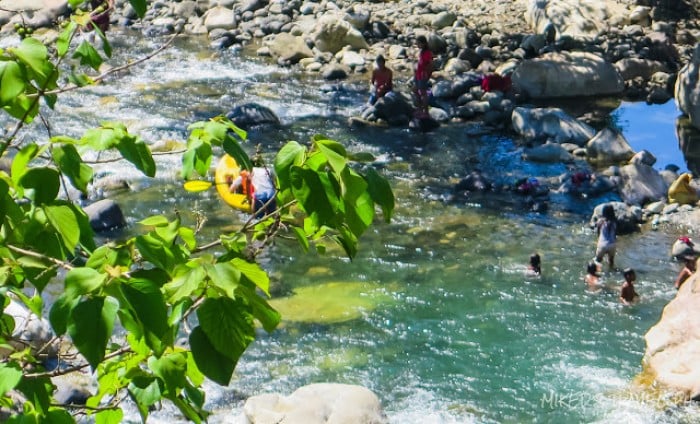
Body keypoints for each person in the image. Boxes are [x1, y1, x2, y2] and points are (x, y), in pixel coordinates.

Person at [413, 35, 433, 118]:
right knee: (415, 90)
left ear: (423, 43)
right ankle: (420, 109)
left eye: (418, 43)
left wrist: (427, 74)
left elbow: (431, 65)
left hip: (422, 75)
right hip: (418, 74)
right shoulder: (421, 51)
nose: (417, 45)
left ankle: (425, 112)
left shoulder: (427, 53)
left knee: (423, 93)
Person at [595, 204, 617, 270]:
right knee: (611, 261)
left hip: (602, 244)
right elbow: (615, 234)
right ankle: (611, 270)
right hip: (612, 244)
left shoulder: (600, 221)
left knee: (597, 261)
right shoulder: (614, 222)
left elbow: (598, 234)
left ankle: (597, 273)